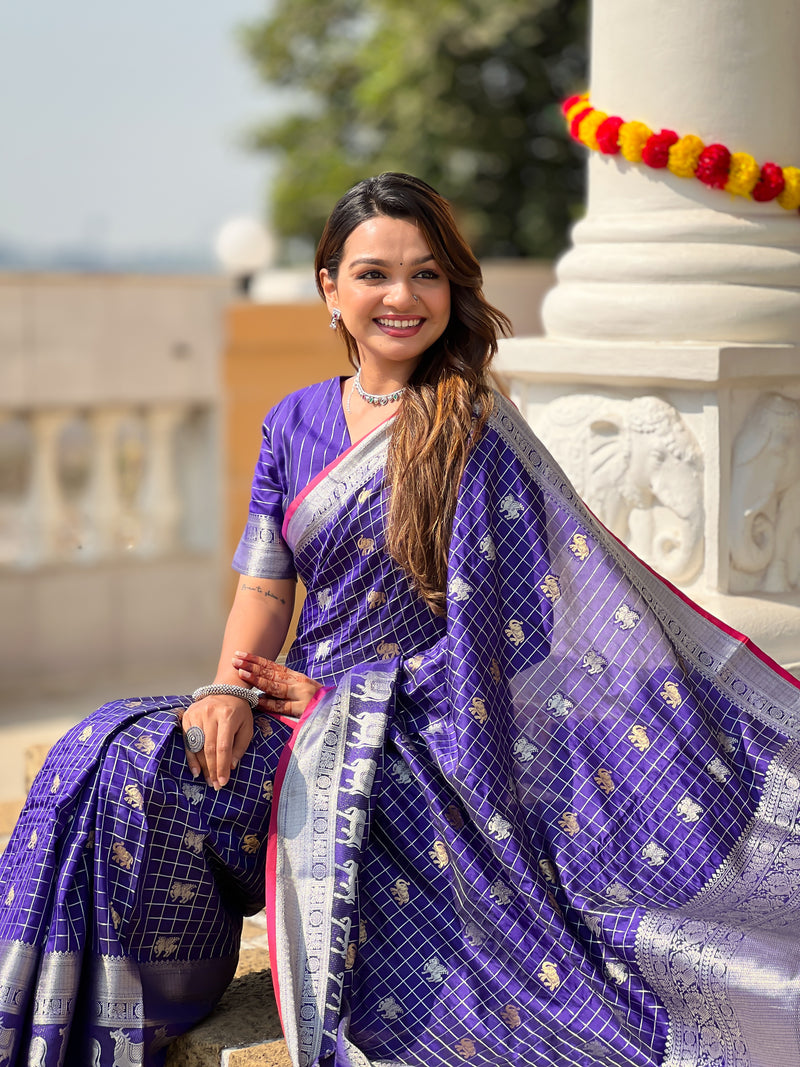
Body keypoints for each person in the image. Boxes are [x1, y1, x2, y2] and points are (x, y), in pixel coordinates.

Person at [2, 172, 800, 1067]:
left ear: (453, 288)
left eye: (426, 273)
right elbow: (267, 590)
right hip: (295, 710)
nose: (401, 296)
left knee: (148, 766)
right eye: (374, 273)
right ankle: (89, 1029)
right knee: (109, 747)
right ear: (329, 288)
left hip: (425, 739)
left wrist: (350, 698)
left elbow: (520, 636)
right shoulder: (293, 421)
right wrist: (228, 686)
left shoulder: (476, 427)